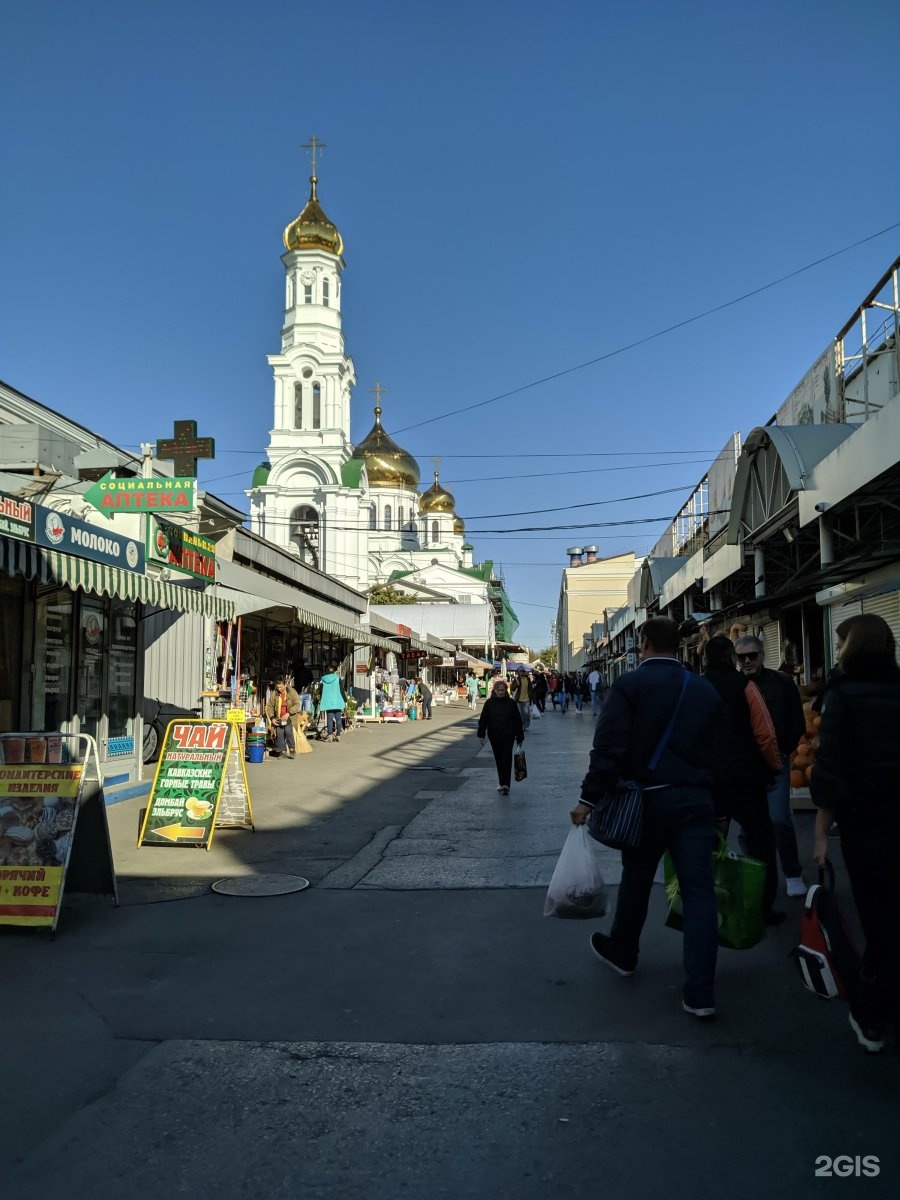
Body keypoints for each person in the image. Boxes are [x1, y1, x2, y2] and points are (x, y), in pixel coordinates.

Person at [571, 617, 725, 1019]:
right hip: (696, 802)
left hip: (647, 803)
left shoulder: (629, 687)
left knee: (637, 879)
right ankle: (701, 992)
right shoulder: (704, 689)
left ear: (644, 642)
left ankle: (623, 952)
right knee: (699, 892)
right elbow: (722, 752)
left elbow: (608, 748)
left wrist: (588, 799)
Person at [811, 613, 900, 1054]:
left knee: (879, 920)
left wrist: (821, 832)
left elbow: (831, 768)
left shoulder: (842, 694)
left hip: (868, 826)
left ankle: (872, 1013)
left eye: (840, 640)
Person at [702, 635, 783, 925]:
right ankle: (763, 906)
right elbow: (765, 733)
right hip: (746, 777)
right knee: (761, 841)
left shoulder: (695, 688)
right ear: (730, 657)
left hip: (707, 779)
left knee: (708, 843)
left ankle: (706, 903)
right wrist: (773, 768)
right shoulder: (746, 686)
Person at [734, 634, 807, 897]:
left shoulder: (782, 683)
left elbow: (797, 720)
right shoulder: (735, 687)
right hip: (747, 768)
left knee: (779, 819)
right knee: (748, 824)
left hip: (777, 762)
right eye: (741, 657)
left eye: (752, 655)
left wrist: (784, 750)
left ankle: (792, 871)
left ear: (762, 655)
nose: (747, 661)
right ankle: (754, 877)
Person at [477, 678, 525, 795]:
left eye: (503, 690)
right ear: (494, 691)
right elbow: (483, 719)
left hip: (508, 735)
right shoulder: (489, 703)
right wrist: (481, 734)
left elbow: (518, 721)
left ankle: (506, 785)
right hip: (494, 735)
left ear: (506, 691)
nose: (500, 692)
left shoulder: (511, 703)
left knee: (506, 758)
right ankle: (501, 782)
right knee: (498, 759)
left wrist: (519, 737)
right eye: (498, 690)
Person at [265, 678, 301, 759]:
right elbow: (270, 706)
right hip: (278, 717)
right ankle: (282, 752)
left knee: (288, 733)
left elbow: (297, 704)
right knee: (279, 734)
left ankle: (292, 750)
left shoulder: (292, 692)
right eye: (278, 687)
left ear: (285, 684)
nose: (279, 689)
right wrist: (272, 717)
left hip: (289, 717)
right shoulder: (275, 693)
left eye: (281, 687)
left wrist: (289, 713)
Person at [318, 661, 348, 742]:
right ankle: (338, 735)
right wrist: (345, 700)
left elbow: (320, 690)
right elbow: (341, 690)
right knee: (338, 719)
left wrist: (321, 698)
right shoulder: (337, 678)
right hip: (337, 701)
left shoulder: (323, 679)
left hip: (328, 701)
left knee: (329, 718)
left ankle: (330, 735)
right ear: (335, 671)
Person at [510, 667, 533, 731]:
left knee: (526, 714)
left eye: (523, 671)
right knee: (520, 714)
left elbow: (530, 689)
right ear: (518, 672)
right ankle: (522, 725)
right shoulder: (516, 679)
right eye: (521, 671)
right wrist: (516, 685)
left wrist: (532, 697)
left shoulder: (527, 679)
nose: (522, 672)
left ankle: (526, 725)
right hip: (518, 699)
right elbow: (512, 688)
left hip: (526, 699)